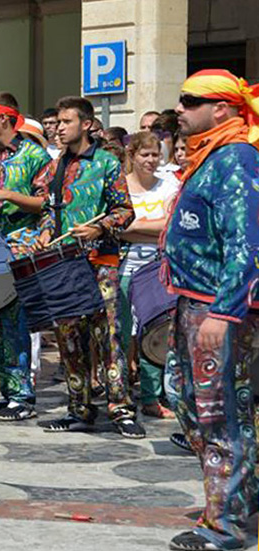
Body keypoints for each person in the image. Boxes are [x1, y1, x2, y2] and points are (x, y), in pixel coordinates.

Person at [161, 69, 259, 551]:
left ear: (222, 109)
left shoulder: (237, 159)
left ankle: (227, 524)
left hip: (217, 311)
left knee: (221, 414)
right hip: (191, 303)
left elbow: (247, 243)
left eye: (189, 100)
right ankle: (243, 497)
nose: (179, 108)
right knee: (183, 398)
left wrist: (225, 312)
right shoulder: (210, 158)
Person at [36, 96, 143, 438]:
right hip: (64, 265)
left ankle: (121, 409)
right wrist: (45, 230)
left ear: (85, 124)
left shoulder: (107, 163)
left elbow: (125, 211)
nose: (59, 127)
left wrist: (99, 228)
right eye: (58, 122)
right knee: (69, 339)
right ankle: (78, 408)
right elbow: (48, 209)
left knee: (108, 337)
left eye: (66, 122)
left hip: (101, 263)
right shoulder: (55, 167)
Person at [0, 93, 49, 421]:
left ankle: (23, 395)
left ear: (4, 118)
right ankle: (7, 391)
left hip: (21, 247)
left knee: (15, 320)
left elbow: (46, 202)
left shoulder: (35, 154)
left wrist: (7, 195)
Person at [113, 131, 178, 419]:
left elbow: (171, 223)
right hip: (125, 268)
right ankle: (121, 393)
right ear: (133, 156)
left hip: (158, 268)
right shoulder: (121, 187)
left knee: (154, 330)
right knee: (123, 334)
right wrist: (151, 226)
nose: (151, 160)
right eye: (145, 155)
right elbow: (116, 226)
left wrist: (136, 225)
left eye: (155, 155)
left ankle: (152, 397)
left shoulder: (170, 185)